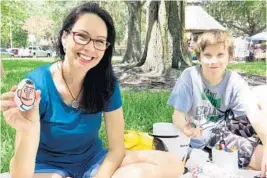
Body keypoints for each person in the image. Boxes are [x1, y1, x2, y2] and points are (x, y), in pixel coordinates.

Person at [0, 2, 184, 178]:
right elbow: (19, 175)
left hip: (93, 161)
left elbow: (116, 149)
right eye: (82, 36)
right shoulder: (36, 85)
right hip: (47, 167)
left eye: (99, 41)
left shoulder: (105, 83)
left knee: (173, 163)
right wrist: (28, 130)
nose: (90, 47)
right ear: (64, 37)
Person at [168, 30, 266, 176]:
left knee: (262, 106)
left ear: (230, 57)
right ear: (199, 56)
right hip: (207, 135)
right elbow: (177, 115)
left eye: (220, 55)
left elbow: (253, 115)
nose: (214, 61)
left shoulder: (234, 80)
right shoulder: (190, 77)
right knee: (258, 157)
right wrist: (185, 127)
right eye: (207, 55)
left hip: (226, 122)